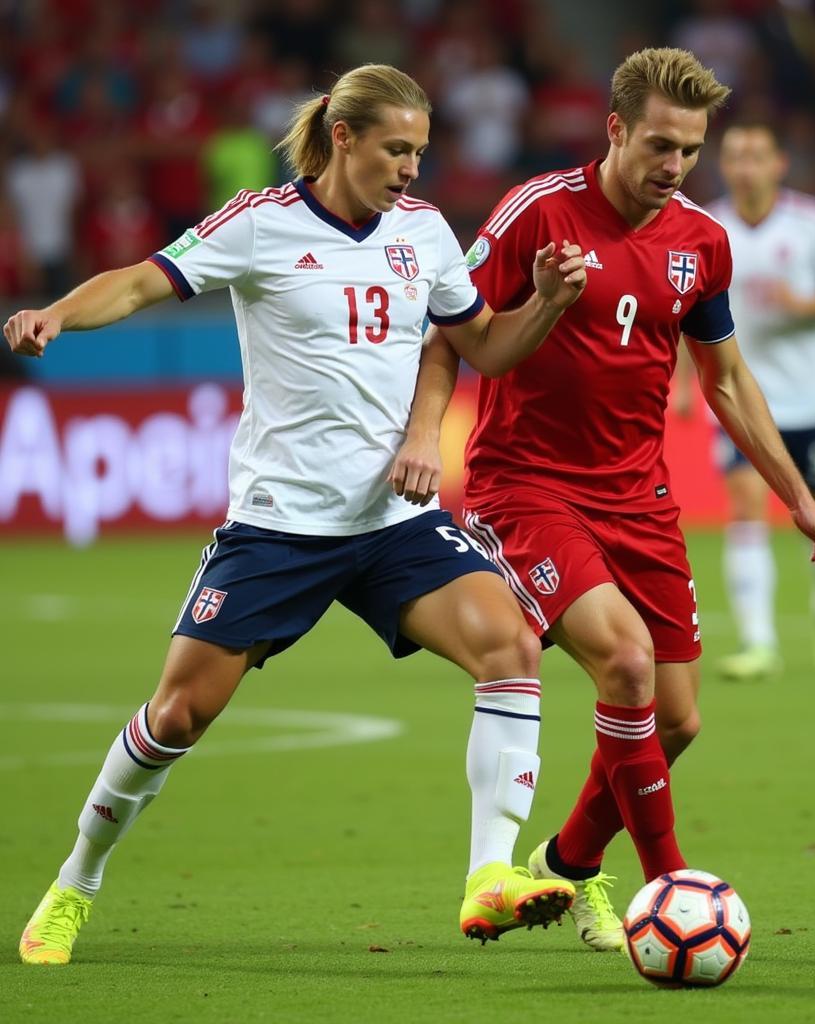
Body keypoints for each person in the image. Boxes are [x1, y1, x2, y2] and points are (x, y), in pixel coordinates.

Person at [7, 64, 588, 966]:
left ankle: (489, 876)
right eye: (396, 149)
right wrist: (56, 315)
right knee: (178, 716)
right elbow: (137, 282)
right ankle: (75, 882)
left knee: (508, 644)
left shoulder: (426, 234)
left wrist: (547, 302)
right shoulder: (260, 224)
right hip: (280, 525)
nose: (410, 169)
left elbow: (487, 347)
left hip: (392, 520)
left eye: (421, 152)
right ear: (345, 138)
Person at [419, 47, 815, 952]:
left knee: (676, 719)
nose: (675, 167)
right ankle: (671, 885)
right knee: (624, 662)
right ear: (615, 128)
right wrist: (423, 437)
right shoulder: (534, 213)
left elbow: (728, 379)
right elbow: (450, 329)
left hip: (639, 496)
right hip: (526, 485)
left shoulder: (701, 241)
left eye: (690, 151)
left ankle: (568, 862)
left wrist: (798, 499)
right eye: (660, 145)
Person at [694, 122, 815, 679]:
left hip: (807, 396)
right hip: (737, 396)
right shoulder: (706, 226)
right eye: (735, 156)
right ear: (724, 166)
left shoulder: (812, 221)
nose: (745, 166)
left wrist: (802, 304)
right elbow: (682, 309)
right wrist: (680, 383)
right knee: (745, 505)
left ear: (779, 164)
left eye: (756, 156)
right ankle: (759, 643)